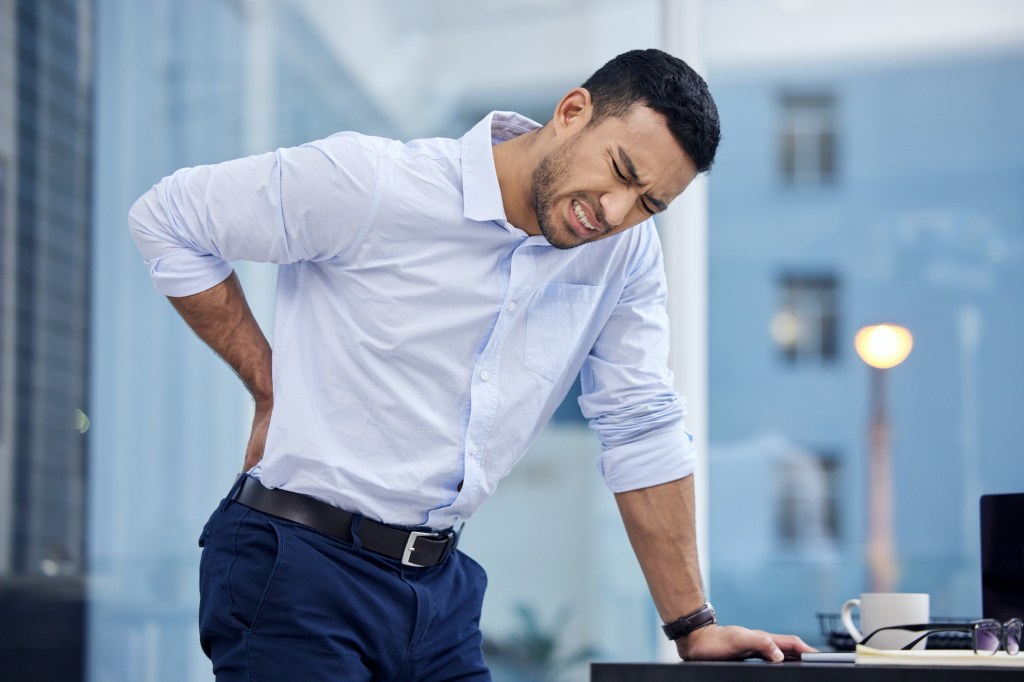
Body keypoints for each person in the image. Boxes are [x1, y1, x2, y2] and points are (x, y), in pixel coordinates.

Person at [129, 48, 814, 680]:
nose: (614, 213)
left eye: (649, 204)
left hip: (439, 591)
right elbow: (168, 218)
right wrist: (267, 383)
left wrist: (694, 627)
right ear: (572, 111)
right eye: (621, 172)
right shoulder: (376, 182)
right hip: (299, 566)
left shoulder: (625, 255)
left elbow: (641, 425)